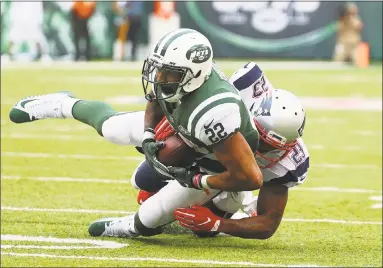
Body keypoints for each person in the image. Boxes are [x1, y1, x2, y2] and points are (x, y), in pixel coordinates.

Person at [9, 59, 308, 239]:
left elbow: (268, 222)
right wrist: (155, 129)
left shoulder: (285, 162)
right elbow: (166, 92)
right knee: (122, 144)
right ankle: (61, 104)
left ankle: (133, 226)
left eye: (268, 144)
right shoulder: (232, 97)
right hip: (192, 135)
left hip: (216, 173)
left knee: (164, 215)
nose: (259, 144)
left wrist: (218, 223)